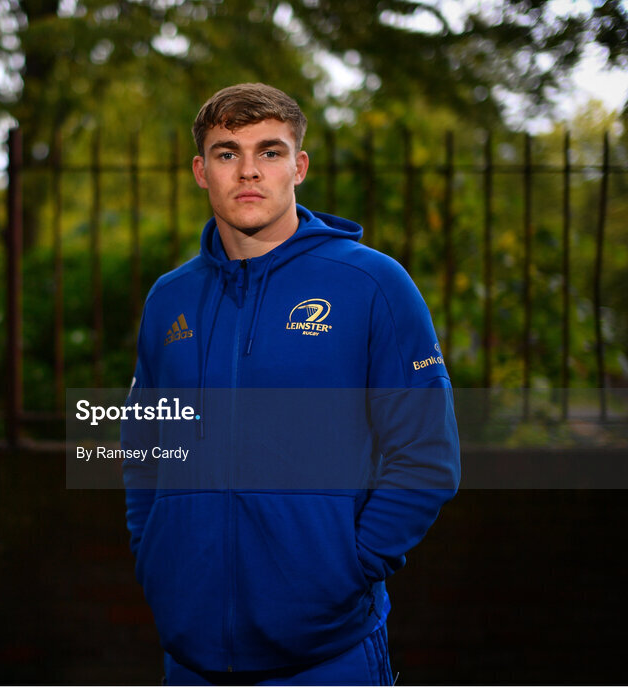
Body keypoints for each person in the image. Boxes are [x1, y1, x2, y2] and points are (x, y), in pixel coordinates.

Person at [120, 83, 460, 685]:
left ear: (298, 166)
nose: (248, 171)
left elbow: (425, 457)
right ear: (202, 171)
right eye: (227, 153)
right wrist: (156, 556)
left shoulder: (373, 285)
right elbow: (145, 448)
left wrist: (348, 567)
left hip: (327, 656)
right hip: (191, 657)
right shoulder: (168, 298)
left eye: (269, 152)